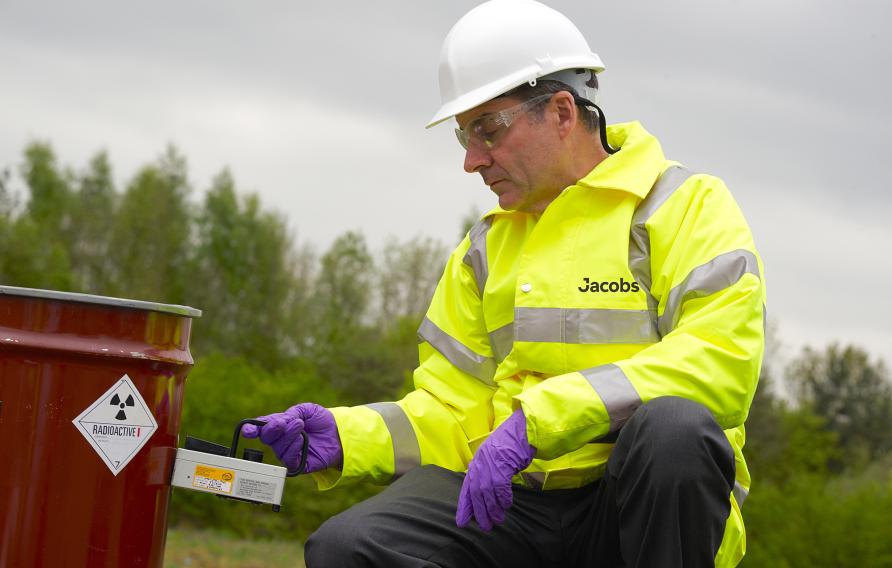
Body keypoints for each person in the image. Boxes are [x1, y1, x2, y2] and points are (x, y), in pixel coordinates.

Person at [243, 1, 766, 566]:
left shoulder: (685, 207)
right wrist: (347, 436)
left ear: (563, 112)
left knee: (675, 431)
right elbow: (454, 415)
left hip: (635, 516)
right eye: (464, 135)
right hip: (518, 509)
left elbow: (719, 363)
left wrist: (535, 422)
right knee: (350, 547)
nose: (472, 160)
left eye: (488, 129)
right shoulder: (484, 252)